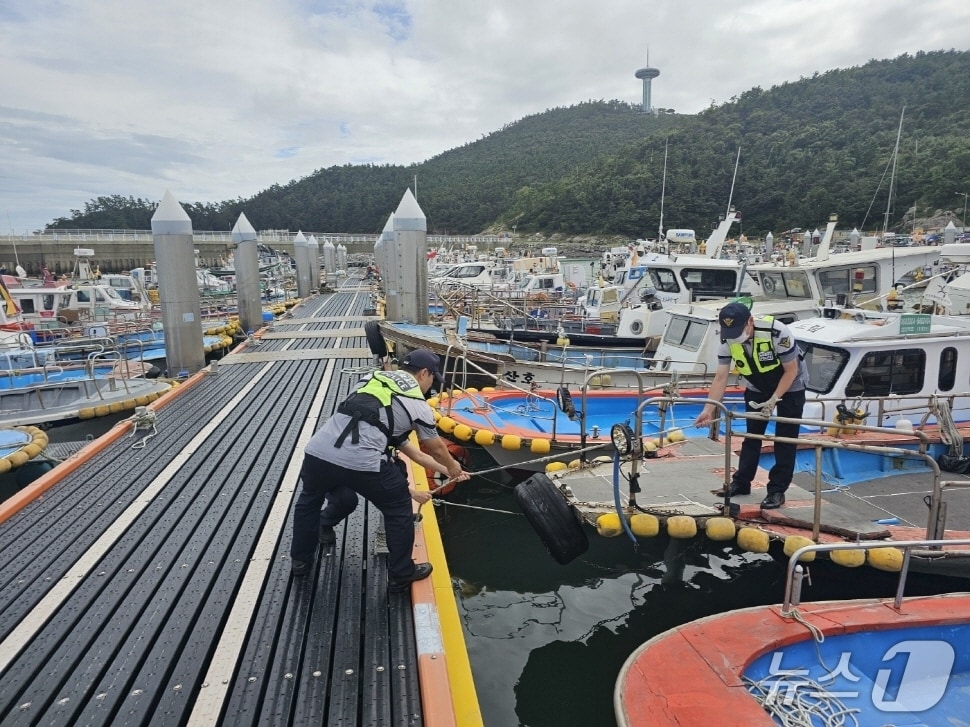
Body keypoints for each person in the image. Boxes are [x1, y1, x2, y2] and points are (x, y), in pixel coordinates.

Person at [290, 349, 469, 588]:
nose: (431, 384)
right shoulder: (417, 404)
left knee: (310, 501)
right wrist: (453, 465)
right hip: (363, 463)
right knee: (398, 509)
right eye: (432, 378)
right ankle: (401, 574)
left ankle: (300, 562)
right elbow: (435, 448)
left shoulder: (371, 381)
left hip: (318, 453)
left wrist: (449, 472)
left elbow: (413, 452)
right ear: (424, 373)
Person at [694, 302, 808, 509]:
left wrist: (774, 399)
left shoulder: (777, 332)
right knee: (752, 436)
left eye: (738, 331)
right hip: (757, 385)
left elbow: (791, 371)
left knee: (785, 438)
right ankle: (741, 482)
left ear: (750, 321)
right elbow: (721, 377)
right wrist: (708, 409)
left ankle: (776, 491)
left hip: (790, 386)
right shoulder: (726, 339)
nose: (735, 336)